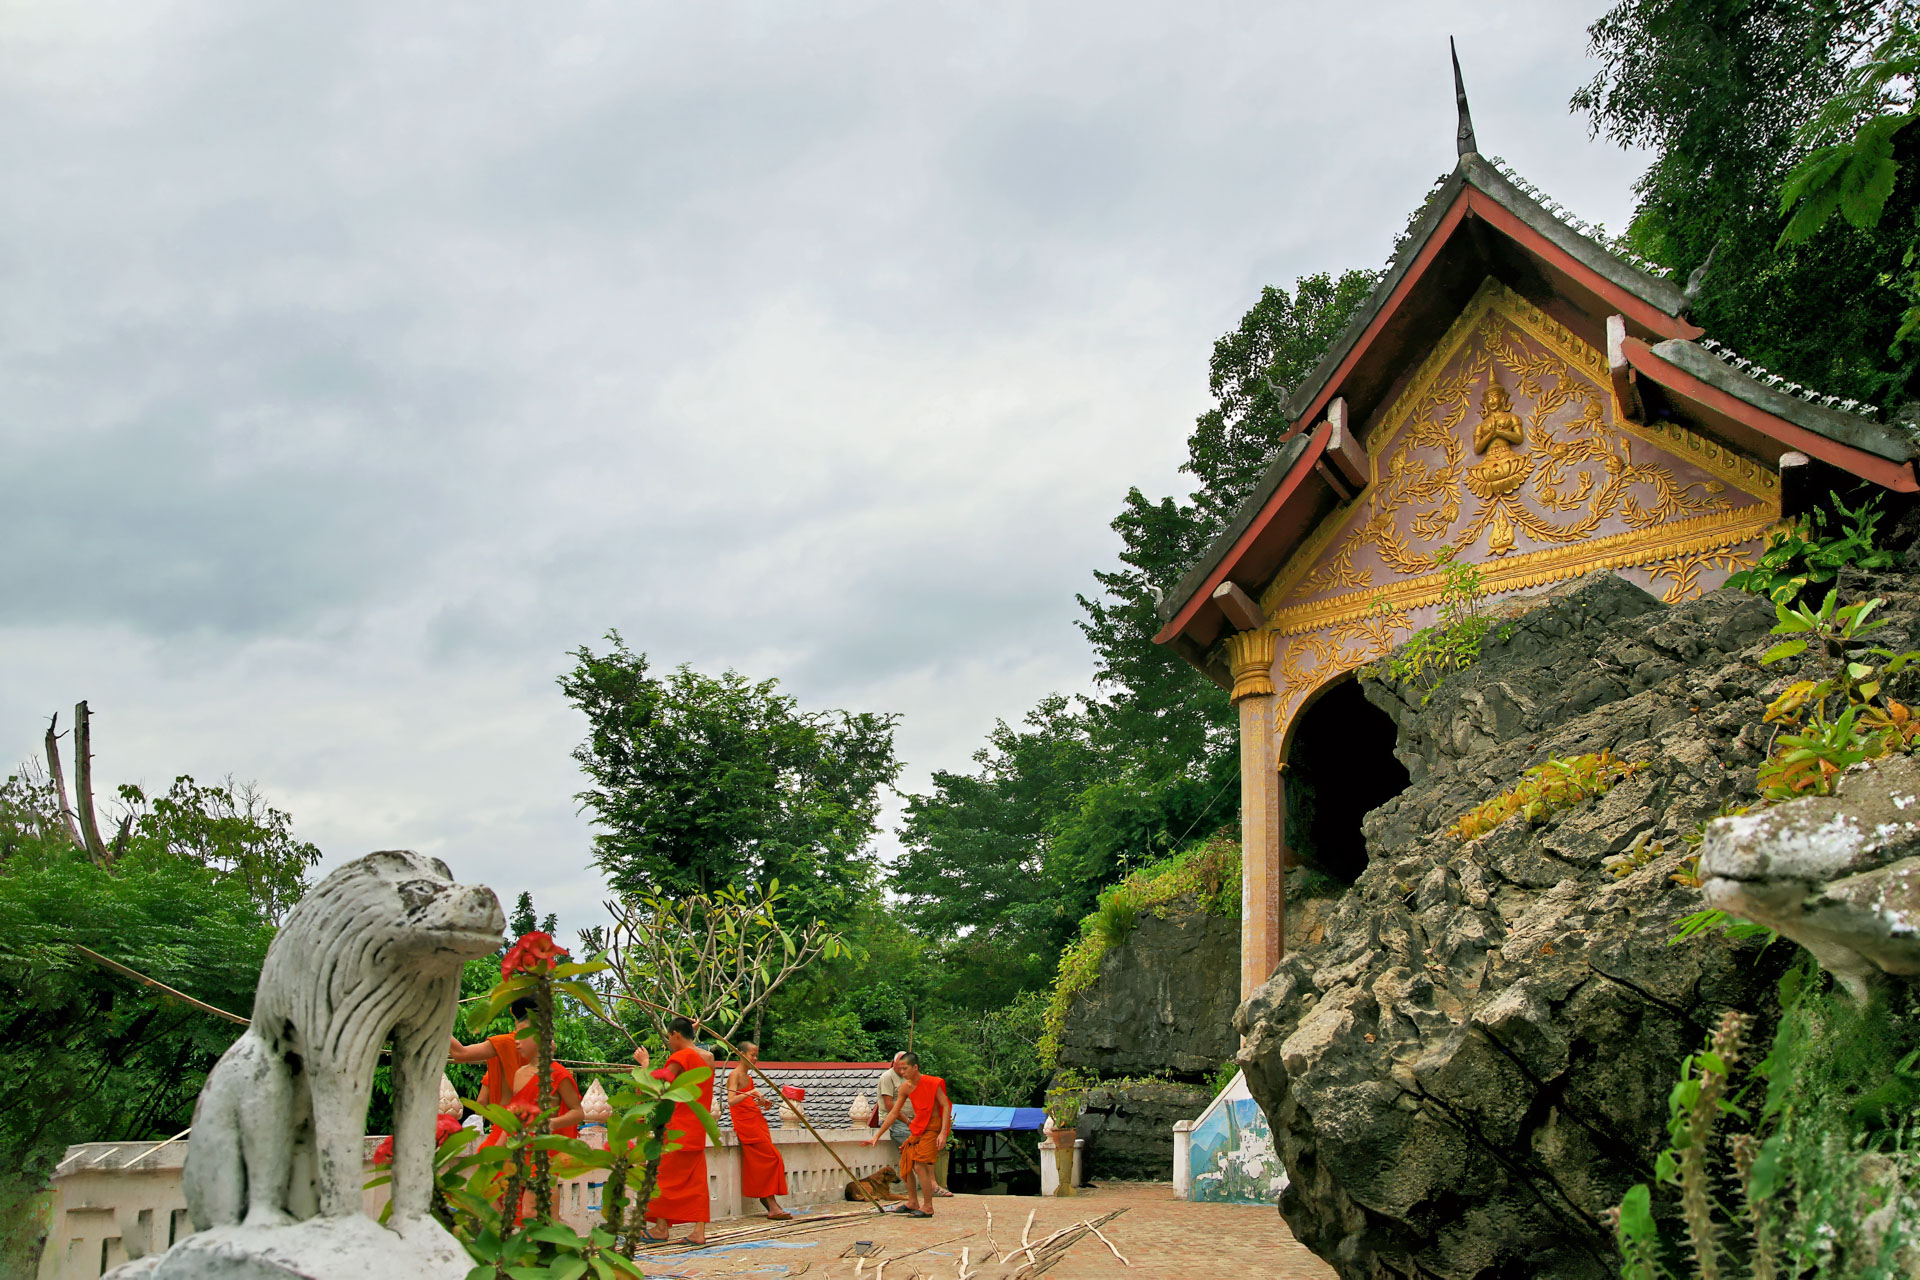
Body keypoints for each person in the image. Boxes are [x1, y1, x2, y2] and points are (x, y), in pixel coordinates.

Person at [448, 998, 585, 1221]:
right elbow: (509, 1105)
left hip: (533, 1137)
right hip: (512, 1130)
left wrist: (438, 1025)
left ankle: (549, 1237)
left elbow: (462, 1056)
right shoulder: (520, 1069)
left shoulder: (512, 1045)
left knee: (533, 1198)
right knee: (515, 1196)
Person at [633, 1017, 715, 1245]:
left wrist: (645, 1064)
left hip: (677, 1127)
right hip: (698, 1128)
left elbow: (657, 1087)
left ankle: (660, 1228)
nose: (669, 1042)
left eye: (670, 1037)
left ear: (676, 1034)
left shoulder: (680, 1057)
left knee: (660, 1176)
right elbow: (694, 1055)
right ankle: (698, 1232)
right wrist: (689, 1032)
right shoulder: (707, 1058)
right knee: (696, 1182)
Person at [863, 1052, 950, 1219]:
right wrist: (877, 1136)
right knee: (905, 1164)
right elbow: (894, 1112)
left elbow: (945, 1106)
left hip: (932, 1129)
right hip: (917, 1129)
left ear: (915, 1067)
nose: (902, 1072)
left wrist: (942, 1134)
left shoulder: (933, 1082)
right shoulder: (906, 1087)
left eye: (905, 1068)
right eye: (900, 1069)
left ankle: (928, 1207)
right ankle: (913, 1203)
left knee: (919, 1165)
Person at [726, 1041, 792, 1220]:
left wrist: (761, 1103)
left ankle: (771, 1204)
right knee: (771, 1159)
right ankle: (771, 1204)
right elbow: (731, 1100)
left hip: (756, 1122)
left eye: (756, 1056)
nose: (755, 1059)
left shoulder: (749, 1077)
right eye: (751, 1055)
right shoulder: (735, 1075)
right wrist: (752, 1093)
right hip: (746, 1126)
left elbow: (746, 1101)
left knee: (769, 1161)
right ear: (741, 1054)